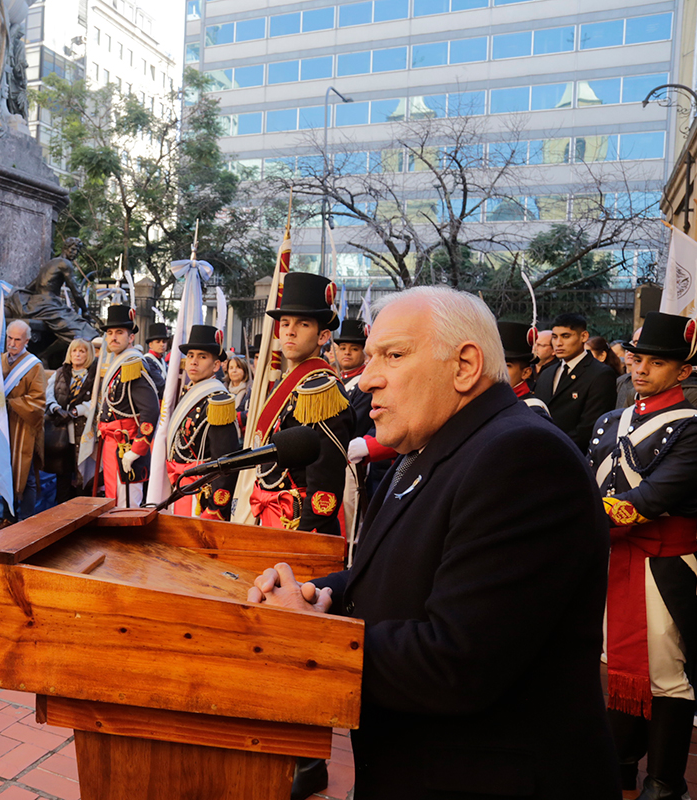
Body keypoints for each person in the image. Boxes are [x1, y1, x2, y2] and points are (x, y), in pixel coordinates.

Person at [248, 286, 621, 799]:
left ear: (465, 365)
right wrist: (323, 594)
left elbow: (459, 659)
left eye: (393, 355)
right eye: (370, 355)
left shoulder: (522, 456)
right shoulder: (437, 445)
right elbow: (393, 574)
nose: (366, 378)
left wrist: (312, 637)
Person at [589, 312, 697, 799]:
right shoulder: (609, 421)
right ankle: (619, 762)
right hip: (610, 556)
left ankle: (665, 782)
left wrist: (574, 518)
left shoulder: (696, 427)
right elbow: (585, 480)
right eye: (637, 358)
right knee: (613, 661)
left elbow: (652, 499)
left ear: (682, 371)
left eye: (656, 362)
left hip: (664, 562)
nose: (640, 369)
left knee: (665, 671)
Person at [247, 273, 354, 535]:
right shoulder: (289, 383)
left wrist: (308, 533)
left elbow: (325, 475)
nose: (290, 331)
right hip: (268, 513)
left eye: (303, 324)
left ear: (323, 335)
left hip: (297, 523)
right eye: (285, 323)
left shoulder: (322, 390)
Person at [164, 325, 239, 519]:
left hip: (200, 496)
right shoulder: (189, 392)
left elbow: (225, 462)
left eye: (202, 356)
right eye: (190, 355)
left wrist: (216, 507)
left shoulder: (218, 401)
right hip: (182, 486)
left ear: (215, 366)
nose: (193, 362)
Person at [96, 304, 159, 508]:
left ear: (131, 337)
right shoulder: (118, 363)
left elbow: (150, 410)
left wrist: (138, 448)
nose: (113, 337)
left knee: (126, 506)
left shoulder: (133, 364)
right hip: (111, 443)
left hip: (126, 447)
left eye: (119, 333)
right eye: (110, 332)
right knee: (111, 502)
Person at [534, 312, 618, 452]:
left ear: (583, 336)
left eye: (566, 336)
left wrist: (551, 449)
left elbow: (589, 428)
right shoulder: (547, 373)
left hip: (573, 456)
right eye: (555, 337)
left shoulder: (600, 374)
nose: (558, 343)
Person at [1, 319, 47, 520]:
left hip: (23, 426)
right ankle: (7, 517)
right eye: (9, 338)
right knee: (2, 471)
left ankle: (26, 521)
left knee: (25, 474)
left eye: (17, 340)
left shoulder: (34, 366)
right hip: (1, 425)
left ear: (27, 340)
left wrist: (11, 403)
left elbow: (38, 401)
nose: (12, 343)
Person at [44, 338, 97, 504]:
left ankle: (82, 513)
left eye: (82, 351)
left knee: (82, 475)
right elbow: (49, 393)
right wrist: (56, 408)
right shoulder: (60, 373)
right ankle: (61, 514)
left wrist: (76, 411)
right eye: (74, 351)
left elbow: (97, 399)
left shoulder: (93, 375)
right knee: (63, 476)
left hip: (83, 431)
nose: (78, 354)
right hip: (61, 433)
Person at [497, 320, 550, 416]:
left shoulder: (533, 411)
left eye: (507, 366)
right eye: (495, 364)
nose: (498, 371)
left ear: (526, 373)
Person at [142, 321, 170, 397]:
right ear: (150, 344)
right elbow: (160, 385)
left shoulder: (162, 361)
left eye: (164, 342)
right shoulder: (148, 360)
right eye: (158, 342)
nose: (162, 344)